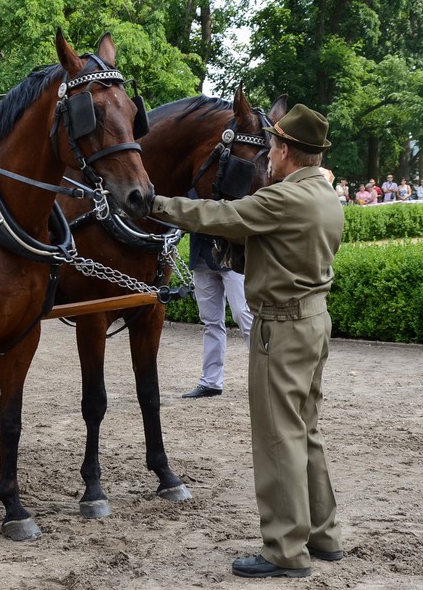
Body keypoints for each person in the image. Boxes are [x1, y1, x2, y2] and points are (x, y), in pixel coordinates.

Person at [150, 103, 344, 578]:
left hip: (282, 326)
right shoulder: (323, 193)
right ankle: (323, 536)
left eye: (274, 147)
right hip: (313, 321)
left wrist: (152, 204)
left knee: (278, 438)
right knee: (306, 432)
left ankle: (284, 550)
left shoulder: (285, 198)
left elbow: (220, 214)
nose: (270, 156)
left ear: (285, 150)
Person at [182, 233, 253, 398]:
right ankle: (211, 382)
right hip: (201, 255)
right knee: (210, 321)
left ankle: (267, 376)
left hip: (233, 254)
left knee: (243, 315)